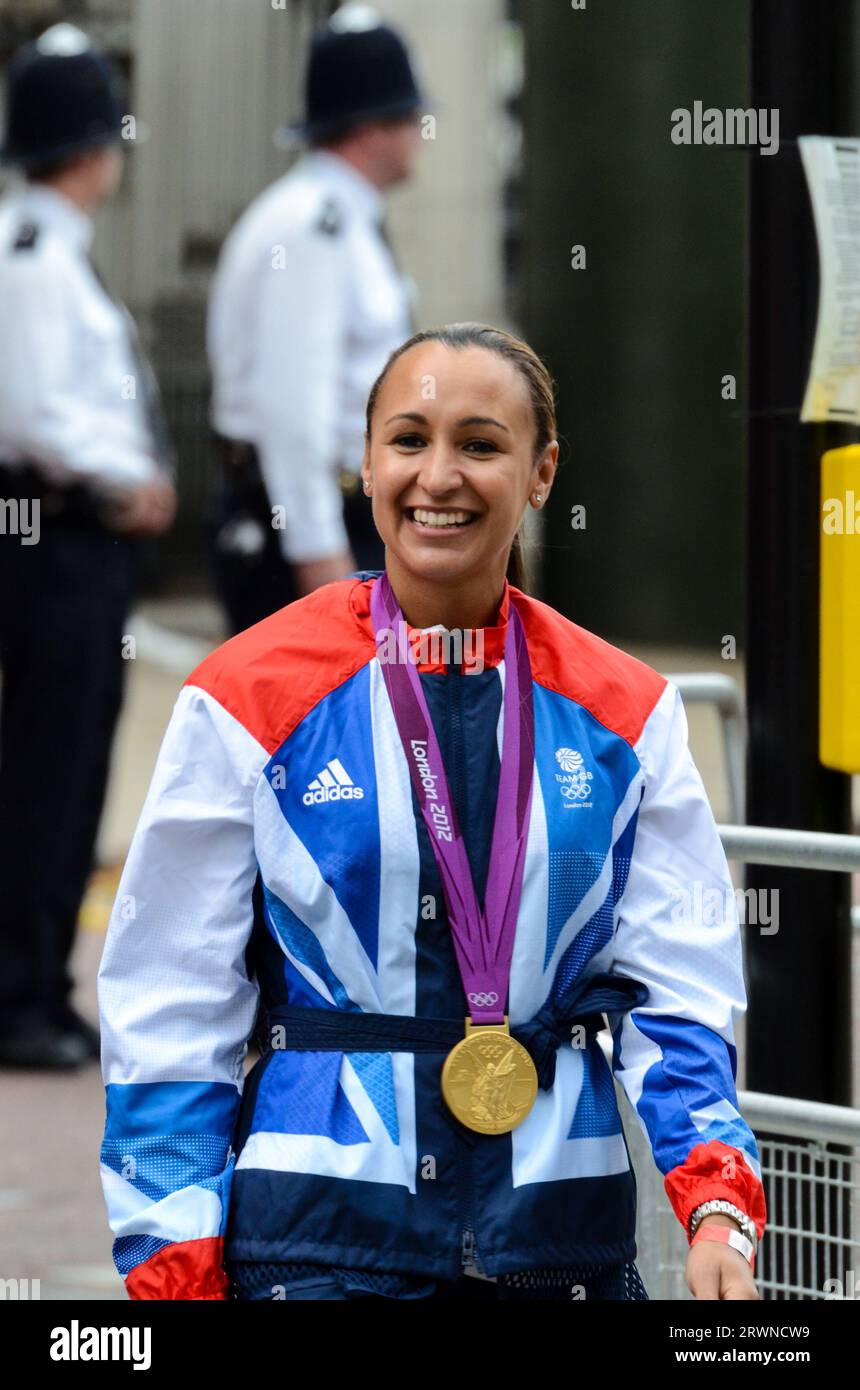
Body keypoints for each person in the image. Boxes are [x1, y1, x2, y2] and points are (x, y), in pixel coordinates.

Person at [98, 323, 766, 1301]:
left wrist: (714, 1205)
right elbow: (170, 994)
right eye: (408, 440)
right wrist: (172, 1262)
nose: (437, 475)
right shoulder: (246, 694)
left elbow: (680, 984)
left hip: (560, 1247)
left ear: (540, 472)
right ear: (364, 465)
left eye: (480, 444)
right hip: (316, 1247)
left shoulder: (622, 709)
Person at [0, 24, 177, 1070]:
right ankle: (21, 991)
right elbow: (28, 415)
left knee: (59, 766)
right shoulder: (33, 255)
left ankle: (34, 982)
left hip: (70, 536)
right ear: (88, 147)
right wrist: (127, 483)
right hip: (58, 535)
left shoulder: (43, 248)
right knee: (52, 768)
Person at [206, 4, 424, 635]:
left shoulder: (340, 220)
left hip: (343, 510)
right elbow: (292, 407)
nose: (420, 132)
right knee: (305, 733)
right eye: (410, 116)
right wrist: (318, 553)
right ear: (371, 128)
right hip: (304, 523)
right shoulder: (311, 228)